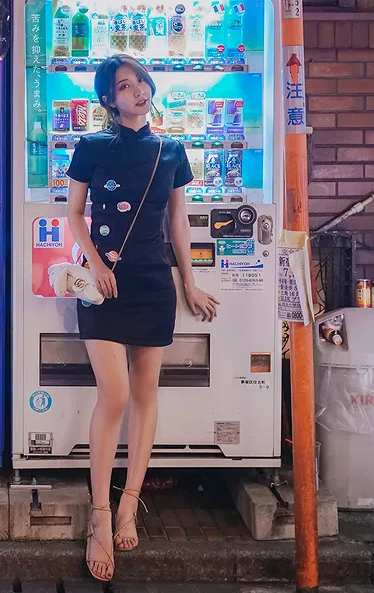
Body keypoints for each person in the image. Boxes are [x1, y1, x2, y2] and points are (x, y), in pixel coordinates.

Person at [66, 55, 219, 582]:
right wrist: (94, 262)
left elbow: (178, 219)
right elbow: (74, 214)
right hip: (103, 284)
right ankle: (100, 513)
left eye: (141, 82)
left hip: (154, 282)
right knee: (116, 395)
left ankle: (130, 501)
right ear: (108, 100)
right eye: (125, 85)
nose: (138, 91)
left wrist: (189, 282)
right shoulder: (91, 146)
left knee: (146, 394)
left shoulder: (171, 149)